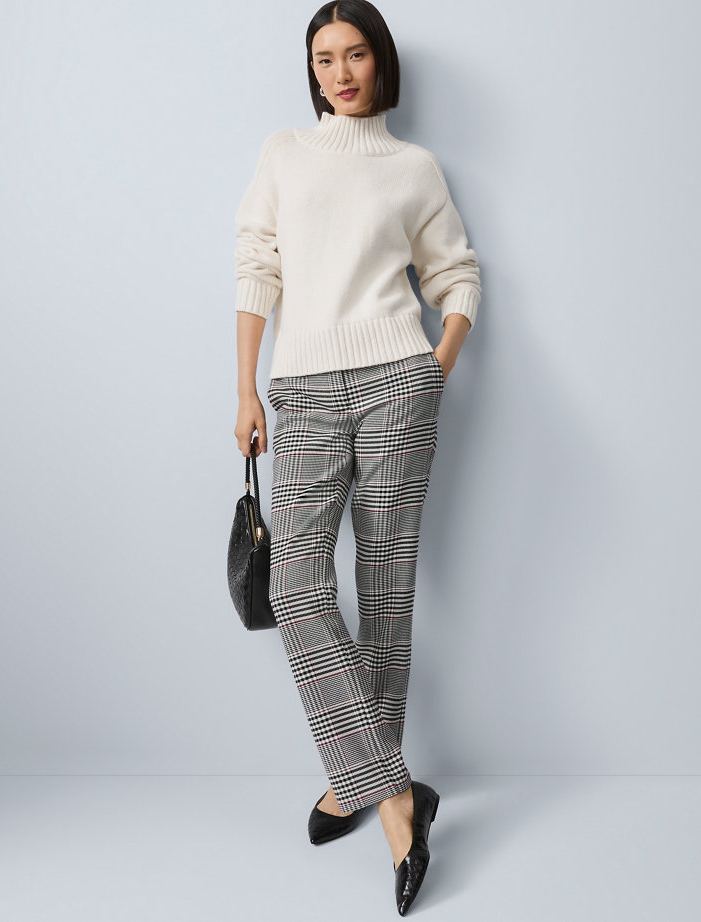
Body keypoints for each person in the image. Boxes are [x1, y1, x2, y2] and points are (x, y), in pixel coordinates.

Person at [233, 1, 480, 914]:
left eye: (356, 54)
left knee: (384, 589)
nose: (340, 73)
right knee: (296, 585)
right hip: (300, 389)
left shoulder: (414, 168)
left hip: (397, 383)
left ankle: (355, 784)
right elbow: (256, 264)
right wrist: (246, 389)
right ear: (311, 69)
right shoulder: (284, 154)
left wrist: (433, 367)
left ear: (381, 62)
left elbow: (457, 274)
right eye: (324, 58)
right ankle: (395, 796)